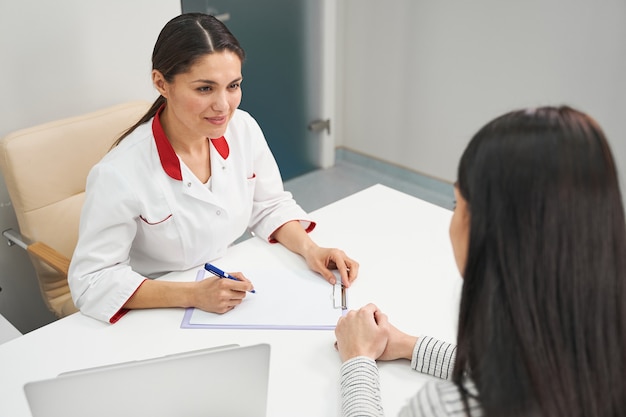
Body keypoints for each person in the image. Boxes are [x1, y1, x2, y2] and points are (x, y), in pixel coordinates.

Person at [67, 13, 359, 324]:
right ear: (161, 83)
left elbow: (270, 205)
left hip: (227, 291)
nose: (224, 105)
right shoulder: (119, 172)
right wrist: (192, 295)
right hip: (154, 307)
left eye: (233, 85)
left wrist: (311, 250)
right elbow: (91, 281)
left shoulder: (242, 128)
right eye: (205, 89)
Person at [334, 106, 626, 416]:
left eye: (457, 203)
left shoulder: (446, 408)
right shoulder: (600, 352)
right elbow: (520, 371)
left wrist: (358, 360)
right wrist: (408, 344)